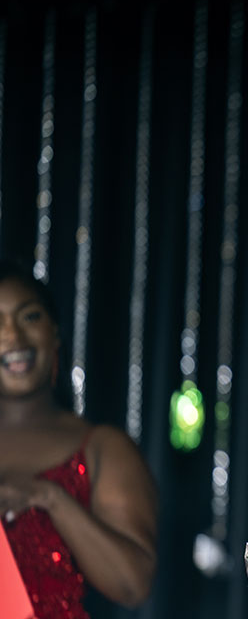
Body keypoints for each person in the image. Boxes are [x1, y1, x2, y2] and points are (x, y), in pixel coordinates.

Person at [0, 260, 157, 619]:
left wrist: (48, 496)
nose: (13, 335)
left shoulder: (102, 447)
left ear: (54, 332)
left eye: (29, 317)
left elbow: (133, 585)